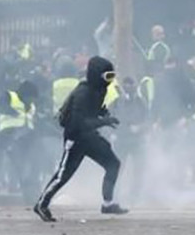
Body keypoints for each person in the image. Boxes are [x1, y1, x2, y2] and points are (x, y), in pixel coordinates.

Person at [34, 57, 127, 222]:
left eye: (112, 76)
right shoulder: (83, 92)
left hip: (90, 137)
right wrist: (103, 121)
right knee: (63, 175)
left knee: (113, 164)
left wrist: (103, 114)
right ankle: (41, 204)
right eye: (107, 77)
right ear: (97, 75)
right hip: (76, 139)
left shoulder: (100, 90)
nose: (110, 81)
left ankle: (108, 203)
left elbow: (93, 111)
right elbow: (79, 122)